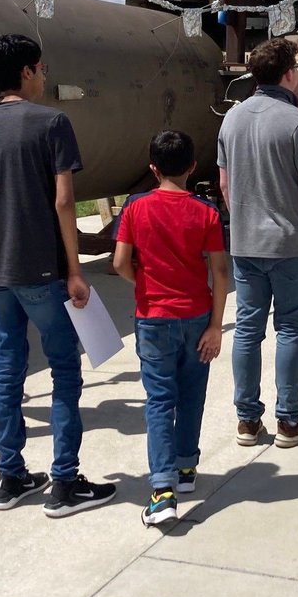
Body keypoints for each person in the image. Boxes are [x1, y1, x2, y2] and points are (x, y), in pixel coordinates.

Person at [0, 33, 116, 517]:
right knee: (64, 367)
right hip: (43, 268)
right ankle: (65, 481)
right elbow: (64, 201)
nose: (46, 75)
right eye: (42, 68)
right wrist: (75, 270)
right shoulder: (52, 122)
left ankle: (10, 476)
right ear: (27, 72)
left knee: (8, 369)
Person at [217, 38, 298, 448]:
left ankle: (247, 420)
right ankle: (289, 419)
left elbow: (225, 184)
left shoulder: (231, 120)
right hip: (289, 245)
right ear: (290, 73)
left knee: (247, 331)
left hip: (245, 244)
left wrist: (244, 220)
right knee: (289, 330)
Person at [113, 130, 228, 527]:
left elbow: (119, 263)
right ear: (193, 167)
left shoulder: (135, 208)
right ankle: (185, 469)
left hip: (153, 317)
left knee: (160, 400)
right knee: (192, 395)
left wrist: (143, 283)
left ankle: (161, 492)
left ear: (153, 168)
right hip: (197, 317)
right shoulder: (206, 212)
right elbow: (220, 271)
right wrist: (216, 325)